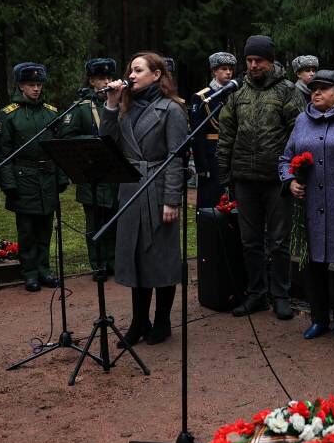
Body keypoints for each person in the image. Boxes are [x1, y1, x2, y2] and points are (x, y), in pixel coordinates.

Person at [100, 52, 188, 345]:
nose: (132, 75)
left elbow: (177, 158)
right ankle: (139, 321)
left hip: (159, 187)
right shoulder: (125, 108)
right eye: (130, 70)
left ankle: (162, 321)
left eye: (138, 70)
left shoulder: (171, 109)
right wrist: (111, 104)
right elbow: (107, 144)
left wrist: (172, 199)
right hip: (131, 190)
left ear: (157, 74)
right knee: (136, 256)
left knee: (160, 258)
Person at [217, 35, 300, 320]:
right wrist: (224, 173)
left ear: (271, 61)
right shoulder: (237, 93)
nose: (253, 66)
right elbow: (226, 134)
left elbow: (296, 134)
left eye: (258, 61)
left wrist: (291, 174)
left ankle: (281, 295)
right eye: (249, 60)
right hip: (244, 178)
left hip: (277, 180)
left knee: (278, 241)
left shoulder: (287, 91)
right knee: (249, 240)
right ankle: (256, 294)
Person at [278, 69, 334, 341]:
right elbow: (285, 158)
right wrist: (290, 180)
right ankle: (318, 319)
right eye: (313, 88)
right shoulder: (303, 119)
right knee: (312, 264)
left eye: (323, 88)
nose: (315, 92)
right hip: (310, 207)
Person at [0, 62, 67, 291]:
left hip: (47, 176)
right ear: (21, 86)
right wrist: (8, 183)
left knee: (45, 227)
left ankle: (44, 269)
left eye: (38, 84)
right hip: (23, 177)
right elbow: (4, 152)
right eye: (30, 84)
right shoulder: (9, 115)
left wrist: (61, 177)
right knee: (26, 229)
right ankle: (29, 272)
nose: (36, 89)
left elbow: (59, 148)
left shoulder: (52, 113)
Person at [60, 57, 122, 272]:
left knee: (114, 219)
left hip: (115, 173)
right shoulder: (81, 108)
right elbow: (67, 137)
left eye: (109, 77)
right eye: (100, 78)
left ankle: (113, 261)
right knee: (94, 221)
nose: (106, 82)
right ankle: (98, 264)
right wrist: (91, 146)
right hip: (92, 174)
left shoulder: (120, 103)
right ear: (91, 81)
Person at [189, 52, 237, 209]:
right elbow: (197, 135)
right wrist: (202, 166)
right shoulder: (203, 97)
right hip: (212, 154)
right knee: (211, 199)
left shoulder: (237, 94)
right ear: (214, 71)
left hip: (235, 152)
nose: (228, 72)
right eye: (224, 68)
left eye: (231, 69)